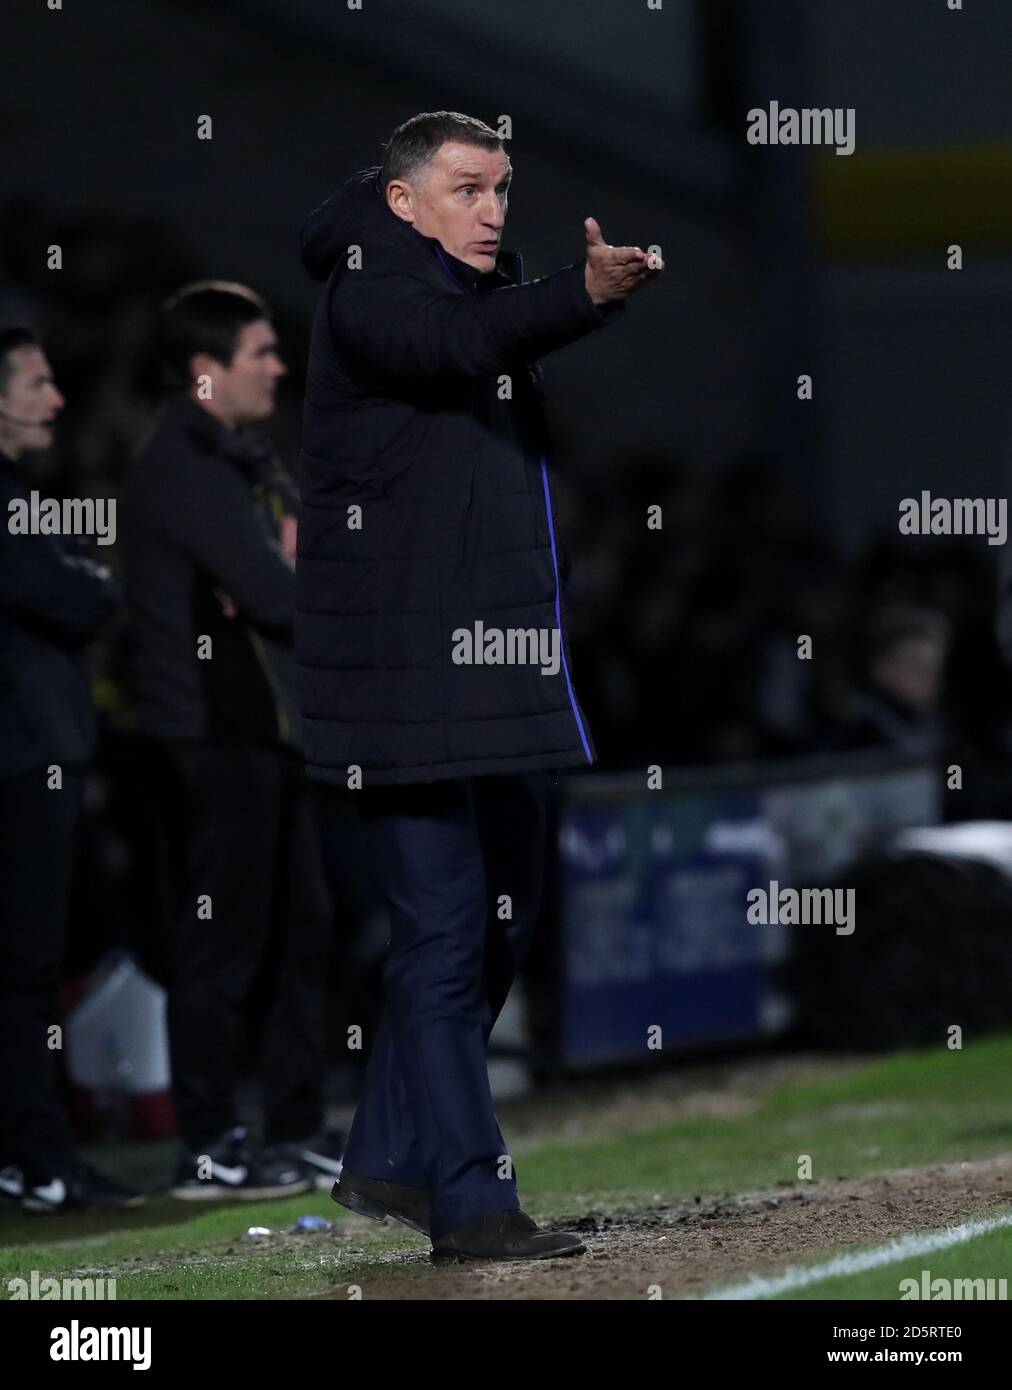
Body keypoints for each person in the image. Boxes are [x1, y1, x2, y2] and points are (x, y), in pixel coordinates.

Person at [298, 111, 662, 1261]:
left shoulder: (476, 295)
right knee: (445, 936)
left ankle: (396, 1153)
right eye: (467, 188)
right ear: (403, 202)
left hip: (492, 671)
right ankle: (469, 1199)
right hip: (401, 680)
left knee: (503, 911)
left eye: (502, 187)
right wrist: (583, 294)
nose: (493, 209)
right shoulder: (372, 289)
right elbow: (455, 349)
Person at [120, 283, 340, 1200]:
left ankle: (293, 1127)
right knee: (222, 941)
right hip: (212, 736)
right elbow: (281, 591)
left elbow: (302, 565)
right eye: (260, 353)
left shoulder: (241, 459)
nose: (280, 367)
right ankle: (208, 1142)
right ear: (206, 372)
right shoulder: (185, 464)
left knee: (301, 931)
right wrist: (293, 566)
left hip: (266, 732)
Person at [0, 326, 141, 1212]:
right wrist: (89, 582)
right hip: (20, 761)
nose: (56, 400)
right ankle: (39, 1158)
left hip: (30, 757)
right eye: (38, 383)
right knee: (22, 970)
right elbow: (76, 594)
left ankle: (34, 1152)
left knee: (24, 969)